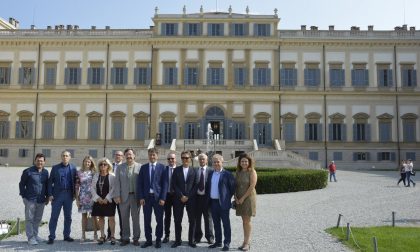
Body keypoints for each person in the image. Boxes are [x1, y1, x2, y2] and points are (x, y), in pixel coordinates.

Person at [137, 147, 168, 248]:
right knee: (147, 220)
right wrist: (141, 197)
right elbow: (139, 184)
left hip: (158, 198)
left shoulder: (162, 168)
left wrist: (163, 198)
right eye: (150, 155)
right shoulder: (144, 167)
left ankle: (158, 239)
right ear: (148, 156)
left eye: (154, 155)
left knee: (159, 219)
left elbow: (165, 184)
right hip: (146, 198)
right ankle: (148, 240)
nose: (152, 156)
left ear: (157, 156)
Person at [47, 150, 77, 244]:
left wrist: (76, 194)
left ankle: (66, 235)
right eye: (63, 155)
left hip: (69, 195)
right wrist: (50, 194)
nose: (65, 157)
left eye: (67, 156)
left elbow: (76, 182)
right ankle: (51, 236)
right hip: (57, 195)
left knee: (68, 217)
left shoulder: (73, 168)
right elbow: (49, 182)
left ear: (70, 157)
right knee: (54, 217)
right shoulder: (55, 168)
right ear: (61, 157)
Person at [19, 153, 49, 245]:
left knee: (38, 219)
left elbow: (47, 185)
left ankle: (35, 235)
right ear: (35, 161)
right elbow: (21, 184)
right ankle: (30, 238)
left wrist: (47, 197)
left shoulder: (45, 172)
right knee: (29, 219)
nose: (40, 162)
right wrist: (24, 196)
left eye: (41, 161)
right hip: (30, 199)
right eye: (38, 160)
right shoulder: (27, 171)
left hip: (41, 200)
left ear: (44, 162)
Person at [113, 148, 141, 246]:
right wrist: (116, 195)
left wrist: (142, 197)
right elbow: (116, 183)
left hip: (135, 197)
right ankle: (125, 238)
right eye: (127, 155)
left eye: (130, 154)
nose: (129, 156)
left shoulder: (140, 167)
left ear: (134, 155)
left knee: (136, 218)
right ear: (125, 156)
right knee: (124, 218)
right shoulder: (120, 167)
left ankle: (136, 238)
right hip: (123, 197)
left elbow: (142, 184)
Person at [207, 154, 235, 251]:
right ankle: (218, 241)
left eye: (218, 161)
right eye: (214, 162)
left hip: (223, 203)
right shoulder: (210, 173)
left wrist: (226, 198)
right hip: (213, 203)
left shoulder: (228, 174)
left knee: (226, 224)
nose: (216, 163)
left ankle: (226, 243)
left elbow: (232, 189)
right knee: (216, 223)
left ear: (222, 162)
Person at [171, 150, 198, 248]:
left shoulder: (194, 170)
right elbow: (174, 184)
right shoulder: (176, 170)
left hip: (191, 199)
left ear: (190, 159)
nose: (184, 160)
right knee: (177, 220)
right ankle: (178, 240)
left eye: (186, 158)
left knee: (192, 220)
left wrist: (188, 196)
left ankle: (191, 240)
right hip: (178, 198)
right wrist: (181, 196)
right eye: (183, 158)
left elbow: (196, 185)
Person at [234, 153, 257, 251]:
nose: (244, 163)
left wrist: (243, 198)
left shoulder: (252, 172)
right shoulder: (238, 172)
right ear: (239, 162)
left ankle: (247, 243)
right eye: (242, 161)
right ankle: (244, 241)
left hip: (248, 198)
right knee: (244, 221)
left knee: (247, 221)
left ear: (249, 162)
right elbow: (234, 185)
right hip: (239, 198)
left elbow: (252, 186)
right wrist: (235, 197)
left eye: (246, 161)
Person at [92, 158, 117, 245]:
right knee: (101, 217)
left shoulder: (112, 176)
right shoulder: (96, 175)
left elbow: (114, 188)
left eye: (105, 164)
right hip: (98, 200)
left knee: (111, 218)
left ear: (108, 166)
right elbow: (92, 188)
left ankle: (113, 236)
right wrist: (97, 198)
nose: (103, 166)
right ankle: (102, 235)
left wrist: (107, 198)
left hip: (109, 200)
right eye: (101, 164)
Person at [75, 155, 98, 243]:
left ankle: (95, 235)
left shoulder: (94, 172)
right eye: (86, 161)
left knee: (94, 216)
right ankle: (83, 235)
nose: (87, 163)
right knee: (84, 216)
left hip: (93, 196)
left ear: (91, 163)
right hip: (83, 196)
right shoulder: (79, 172)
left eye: (89, 162)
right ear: (83, 162)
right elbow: (77, 186)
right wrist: (77, 199)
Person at [194, 153, 214, 244]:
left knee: (208, 219)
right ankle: (197, 237)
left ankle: (209, 237)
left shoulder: (211, 171)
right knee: (197, 219)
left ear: (206, 161)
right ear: (198, 160)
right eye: (200, 159)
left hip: (207, 198)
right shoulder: (195, 170)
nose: (202, 161)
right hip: (197, 198)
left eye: (203, 159)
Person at [108, 150, 124, 241]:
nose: (118, 156)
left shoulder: (124, 166)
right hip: (110, 195)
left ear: (122, 157)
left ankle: (122, 235)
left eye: (120, 155)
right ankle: (110, 234)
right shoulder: (109, 166)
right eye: (116, 155)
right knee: (110, 215)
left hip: (120, 195)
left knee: (122, 216)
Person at [163, 152, 177, 243]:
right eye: (169, 159)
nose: (170, 160)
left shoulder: (179, 169)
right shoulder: (164, 169)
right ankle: (167, 235)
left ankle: (177, 236)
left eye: (172, 158)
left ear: (176, 159)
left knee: (177, 217)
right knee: (167, 217)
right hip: (167, 196)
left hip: (176, 196)